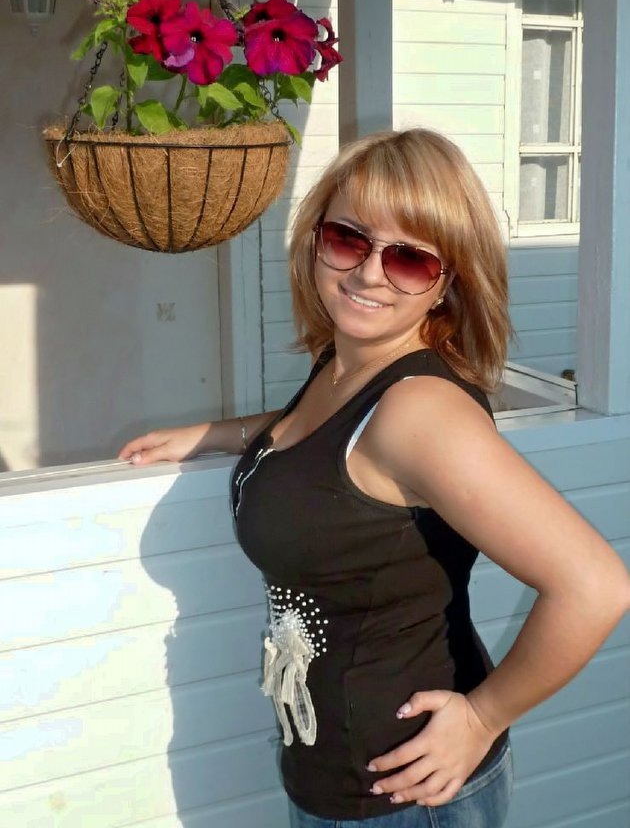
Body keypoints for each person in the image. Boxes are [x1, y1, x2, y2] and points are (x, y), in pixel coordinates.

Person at [120, 128, 630, 828]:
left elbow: (595, 586)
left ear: (448, 283)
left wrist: (483, 717)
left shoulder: (419, 414)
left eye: (410, 259)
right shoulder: (347, 365)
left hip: (402, 796)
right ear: (315, 239)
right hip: (334, 776)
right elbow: (319, 438)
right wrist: (221, 434)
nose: (367, 274)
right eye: (348, 239)